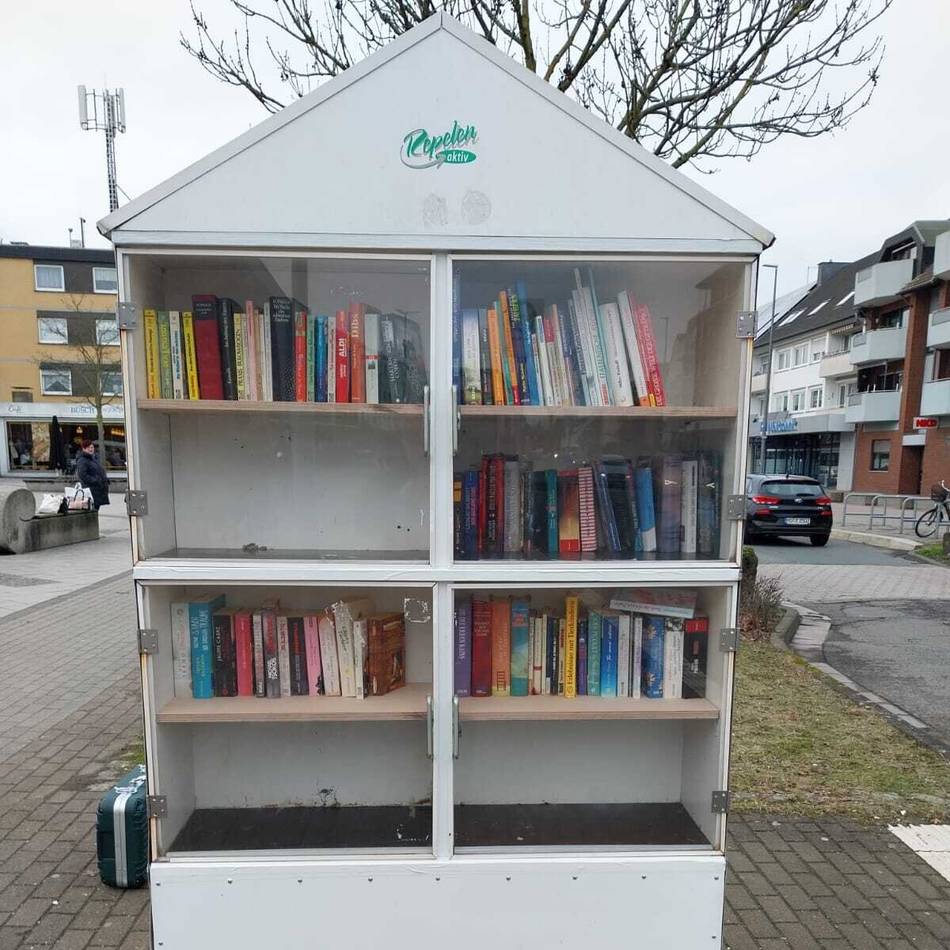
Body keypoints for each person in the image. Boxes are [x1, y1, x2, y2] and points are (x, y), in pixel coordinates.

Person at [75, 439, 110, 510]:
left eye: (92, 447)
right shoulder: (82, 460)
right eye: (88, 448)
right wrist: (96, 481)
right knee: (92, 509)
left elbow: (98, 471)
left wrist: (104, 480)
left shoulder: (92, 458)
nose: (91, 449)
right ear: (84, 449)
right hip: (91, 490)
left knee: (95, 509)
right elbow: (82, 475)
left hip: (97, 490)